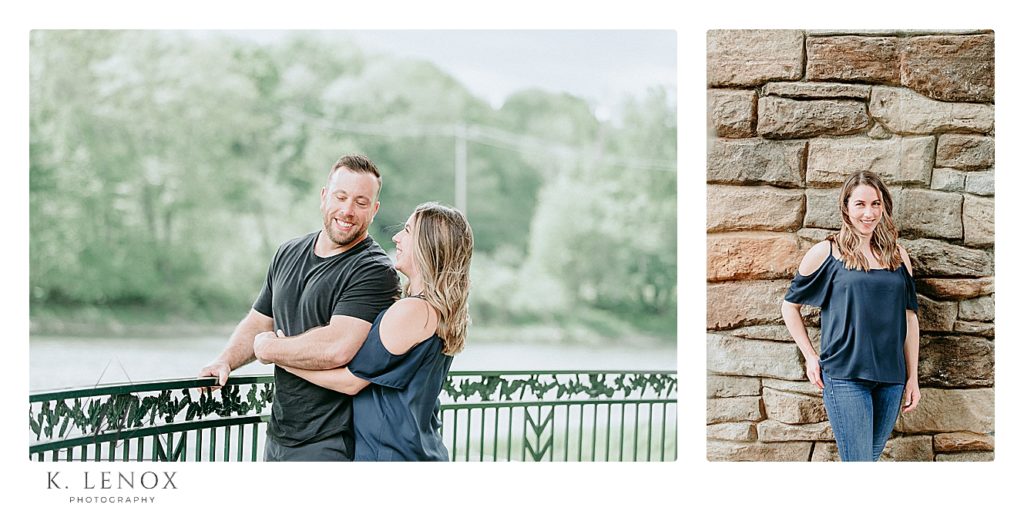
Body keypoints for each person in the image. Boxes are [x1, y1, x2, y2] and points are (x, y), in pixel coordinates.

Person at [198, 154, 400, 461]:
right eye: (340, 197)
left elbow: (337, 347)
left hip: (333, 440)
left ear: (374, 210)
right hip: (279, 432)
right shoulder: (288, 252)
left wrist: (270, 350)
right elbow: (259, 322)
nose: (347, 210)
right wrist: (224, 361)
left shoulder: (374, 270)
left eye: (360, 202)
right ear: (323, 197)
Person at [277, 202, 473, 461]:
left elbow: (350, 382)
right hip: (416, 451)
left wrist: (283, 359)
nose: (396, 237)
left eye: (407, 231)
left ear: (428, 246)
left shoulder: (412, 311)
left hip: (391, 455)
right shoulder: (433, 310)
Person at [781, 170, 921, 462]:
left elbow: (910, 319)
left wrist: (913, 377)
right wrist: (810, 356)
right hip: (845, 376)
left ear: (884, 207)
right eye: (860, 204)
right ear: (846, 207)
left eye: (875, 204)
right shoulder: (828, 253)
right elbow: (789, 306)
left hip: (891, 378)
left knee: (866, 461)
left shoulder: (898, 256)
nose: (868, 213)